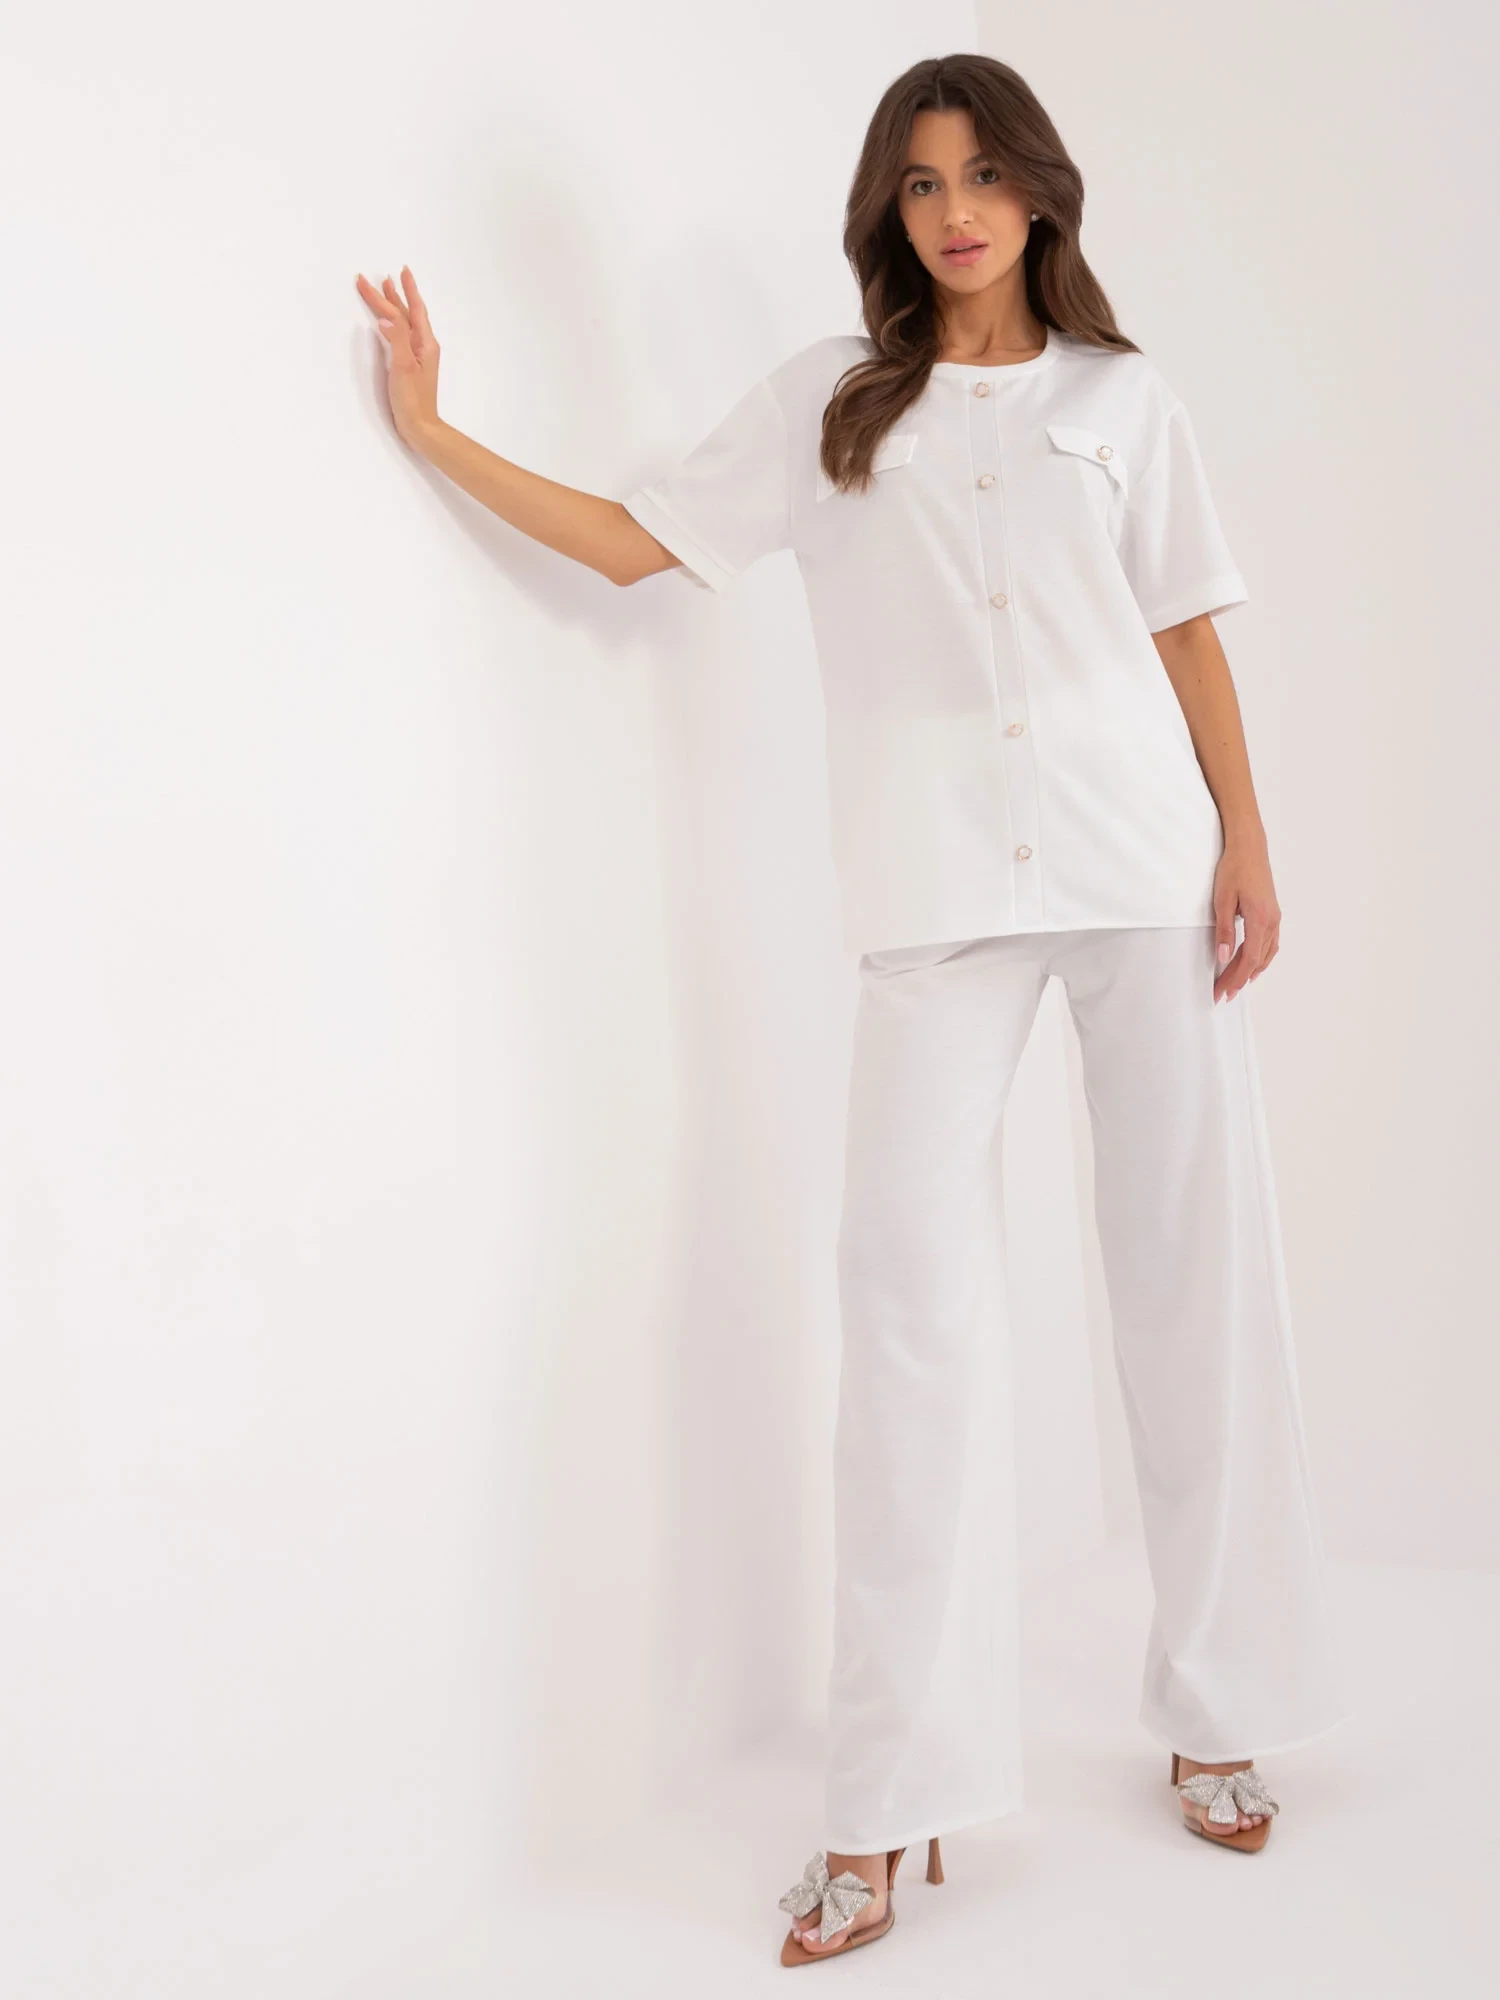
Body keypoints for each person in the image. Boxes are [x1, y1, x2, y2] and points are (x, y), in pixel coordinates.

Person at [356, 49, 1350, 1970]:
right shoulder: (835, 405)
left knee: (1190, 1286)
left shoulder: (1122, 400)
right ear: (890, 212)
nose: (954, 210)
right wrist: (435, 430)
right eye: (919, 183)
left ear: (1041, 193)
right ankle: (890, 1800)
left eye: (982, 175)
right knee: (907, 1323)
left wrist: (1248, 837)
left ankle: (1218, 1712)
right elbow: (637, 542)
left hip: (1143, 877)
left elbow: (1184, 626)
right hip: (933, 904)